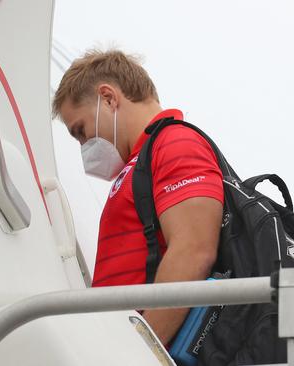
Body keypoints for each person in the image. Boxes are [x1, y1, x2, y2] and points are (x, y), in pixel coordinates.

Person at [52, 49, 224, 347]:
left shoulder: (174, 143)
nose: (84, 147)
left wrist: (139, 353)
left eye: (81, 131)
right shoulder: (142, 162)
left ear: (108, 98)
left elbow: (194, 250)